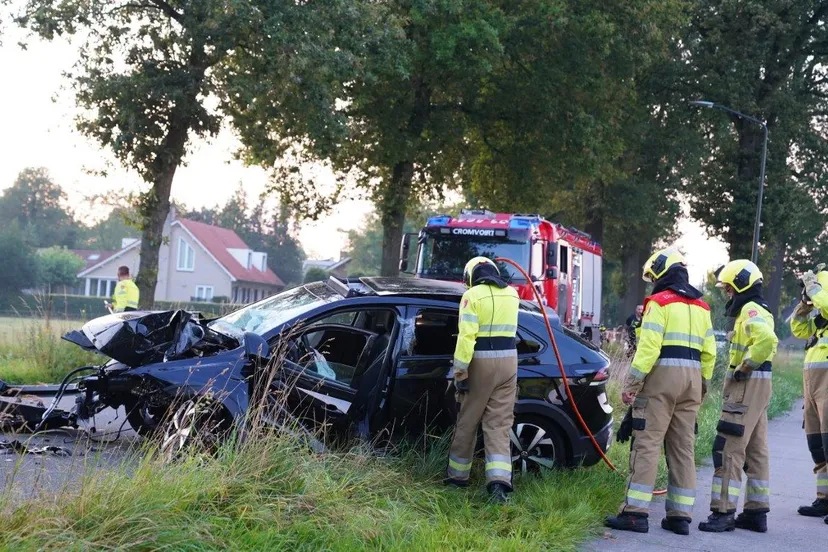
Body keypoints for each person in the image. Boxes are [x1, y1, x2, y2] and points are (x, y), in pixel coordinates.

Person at [605, 248, 715, 535]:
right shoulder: (702, 307)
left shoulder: (659, 303)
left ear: (662, 274)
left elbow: (649, 349)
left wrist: (631, 384)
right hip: (693, 381)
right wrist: (702, 386)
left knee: (647, 444)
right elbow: (710, 353)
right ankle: (680, 517)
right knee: (683, 449)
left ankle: (635, 513)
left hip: (661, 381)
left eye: (653, 277)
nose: (652, 283)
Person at [698, 260, 777, 533]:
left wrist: (744, 367)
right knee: (756, 449)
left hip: (746, 384)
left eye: (729, 289)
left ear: (742, 285)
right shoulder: (760, 309)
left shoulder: (751, 310)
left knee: (728, 447)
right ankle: (756, 512)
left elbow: (766, 340)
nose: (727, 294)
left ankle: (723, 512)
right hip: (760, 385)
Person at [444, 256, 520, 503]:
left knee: (468, 421)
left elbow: (466, 337)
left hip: (481, 362)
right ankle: (499, 484)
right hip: (509, 363)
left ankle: (457, 478)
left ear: (470, 276)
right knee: (499, 424)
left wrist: (460, 372)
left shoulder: (472, 296)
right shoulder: (513, 294)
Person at [790, 267, 828, 522]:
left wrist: (815, 288)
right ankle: (824, 499)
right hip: (812, 384)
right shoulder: (821, 323)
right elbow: (798, 329)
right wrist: (804, 304)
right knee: (818, 444)